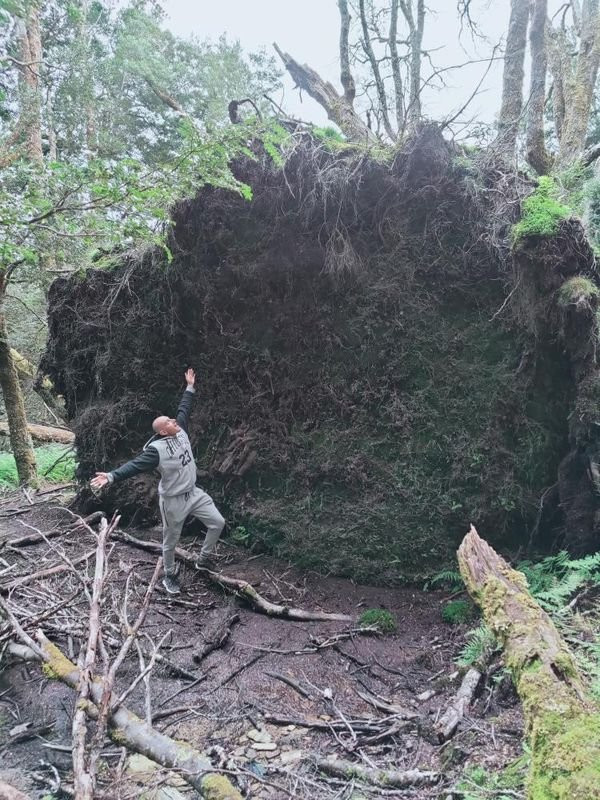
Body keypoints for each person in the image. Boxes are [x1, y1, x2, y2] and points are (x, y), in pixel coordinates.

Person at [90, 368, 225, 595]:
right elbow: (134, 465)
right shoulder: (156, 451)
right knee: (171, 540)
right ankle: (169, 575)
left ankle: (204, 559)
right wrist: (111, 476)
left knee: (217, 522)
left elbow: (184, 409)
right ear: (163, 432)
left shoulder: (180, 430)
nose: (174, 421)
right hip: (173, 501)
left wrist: (189, 387)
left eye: (172, 420)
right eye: (169, 422)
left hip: (194, 493)